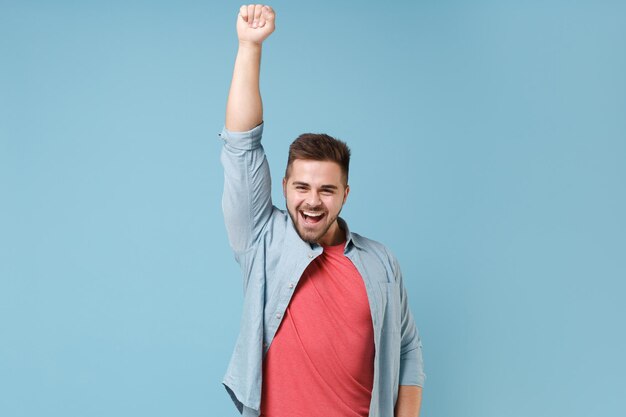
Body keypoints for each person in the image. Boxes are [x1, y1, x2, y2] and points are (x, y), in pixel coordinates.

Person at [219, 5, 425, 417]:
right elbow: (241, 147)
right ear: (284, 188)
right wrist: (249, 47)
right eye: (302, 187)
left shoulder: (380, 262)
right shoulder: (263, 239)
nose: (312, 201)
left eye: (327, 190)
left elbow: (408, 350)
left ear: (345, 194)